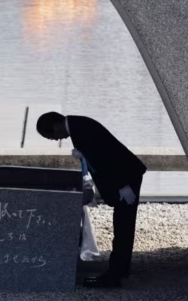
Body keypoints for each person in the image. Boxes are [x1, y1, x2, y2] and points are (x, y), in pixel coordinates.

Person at [36, 111, 146, 288]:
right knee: (122, 225)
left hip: (126, 178)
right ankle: (119, 271)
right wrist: (84, 156)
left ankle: (115, 275)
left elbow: (108, 157)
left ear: (56, 126)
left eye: (53, 136)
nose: (57, 139)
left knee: (123, 226)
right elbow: (99, 154)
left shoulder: (80, 129)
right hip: (125, 177)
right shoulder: (78, 125)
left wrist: (122, 185)